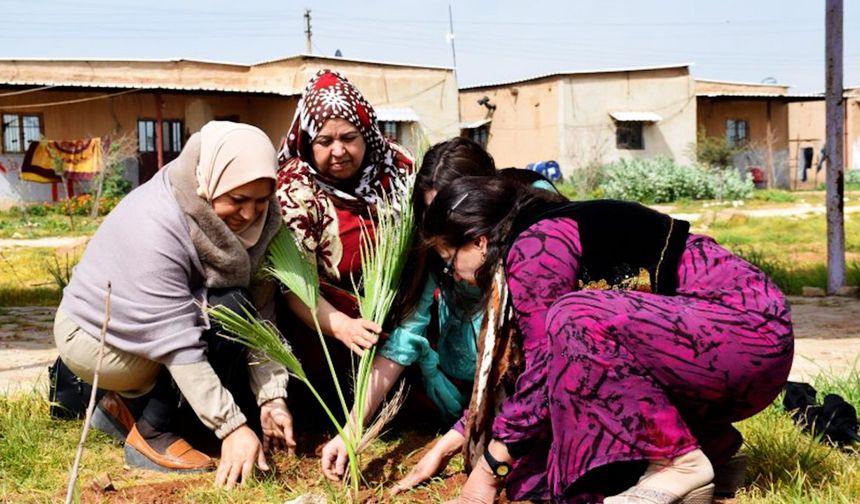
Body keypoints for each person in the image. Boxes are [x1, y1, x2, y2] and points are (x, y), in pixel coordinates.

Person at [408, 176, 794, 503]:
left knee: (574, 316)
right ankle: (709, 451)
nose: (453, 274)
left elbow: (542, 369)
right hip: (725, 349)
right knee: (533, 478)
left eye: (448, 258)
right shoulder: (541, 232)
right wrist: (456, 440)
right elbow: (528, 369)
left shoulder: (532, 247)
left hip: (747, 337)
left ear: (478, 241)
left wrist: (489, 472)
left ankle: (677, 461)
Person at [54, 121, 294, 490]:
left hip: (150, 324)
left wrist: (272, 397)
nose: (250, 215)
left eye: (261, 201)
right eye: (237, 201)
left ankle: (121, 409)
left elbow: (260, 317)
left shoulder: (262, 220)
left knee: (235, 305)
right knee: (226, 311)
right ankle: (153, 432)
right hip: (94, 336)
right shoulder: (158, 225)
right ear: (209, 183)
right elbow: (179, 342)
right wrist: (231, 427)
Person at [320, 137, 563, 484]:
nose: (442, 233)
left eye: (453, 217)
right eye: (433, 216)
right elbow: (404, 339)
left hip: (516, 398)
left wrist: (451, 450)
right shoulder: (439, 249)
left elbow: (530, 370)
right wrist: (351, 429)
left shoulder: (531, 233)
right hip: (461, 397)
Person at [274, 69, 413, 424]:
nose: (338, 151)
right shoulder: (295, 190)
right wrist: (342, 327)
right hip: (323, 327)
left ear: (367, 134)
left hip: (396, 319)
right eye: (324, 141)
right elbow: (293, 288)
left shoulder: (397, 170)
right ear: (308, 142)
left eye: (349, 137)